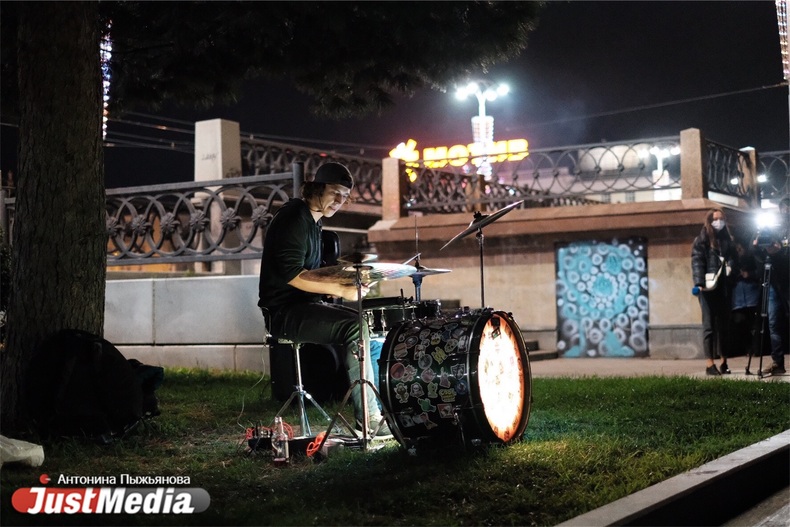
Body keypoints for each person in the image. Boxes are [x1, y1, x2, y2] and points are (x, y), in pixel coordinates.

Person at [258, 162, 391, 436]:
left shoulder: (314, 222)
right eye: (335, 192)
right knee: (356, 327)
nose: (340, 200)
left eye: (345, 196)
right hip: (283, 313)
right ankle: (367, 419)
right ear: (317, 188)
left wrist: (347, 280)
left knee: (365, 328)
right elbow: (293, 275)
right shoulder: (294, 217)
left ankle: (378, 409)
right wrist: (342, 290)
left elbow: (313, 273)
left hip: (303, 306)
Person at [691, 208, 737, 375]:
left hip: (724, 287)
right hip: (708, 288)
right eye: (715, 219)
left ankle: (724, 361)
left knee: (724, 327)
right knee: (709, 326)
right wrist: (699, 283)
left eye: (721, 218)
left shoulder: (728, 240)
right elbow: (697, 261)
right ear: (709, 221)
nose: (719, 222)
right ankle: (710, 364)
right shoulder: (702, 239)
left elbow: (734, 258)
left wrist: (731, 268)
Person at [753, 197, 790, 375]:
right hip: (774, 282)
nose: (786, 211)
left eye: (788, 207)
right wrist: (757, 247)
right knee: (774, 323)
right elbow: (758, 256)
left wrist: (780, 252)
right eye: (783, 208)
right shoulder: (774, 229)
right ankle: (777, 362)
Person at [728, 240, 761, 359]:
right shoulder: (731, 262)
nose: (738, 252)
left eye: (740, 249)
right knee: (740, 323)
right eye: (736, 250)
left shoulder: (751, 259)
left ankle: (756, 348)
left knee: (754, 324)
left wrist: (749, 274)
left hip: (752, 297)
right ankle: (746, 348)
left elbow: (760, 272)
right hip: (738, 300)